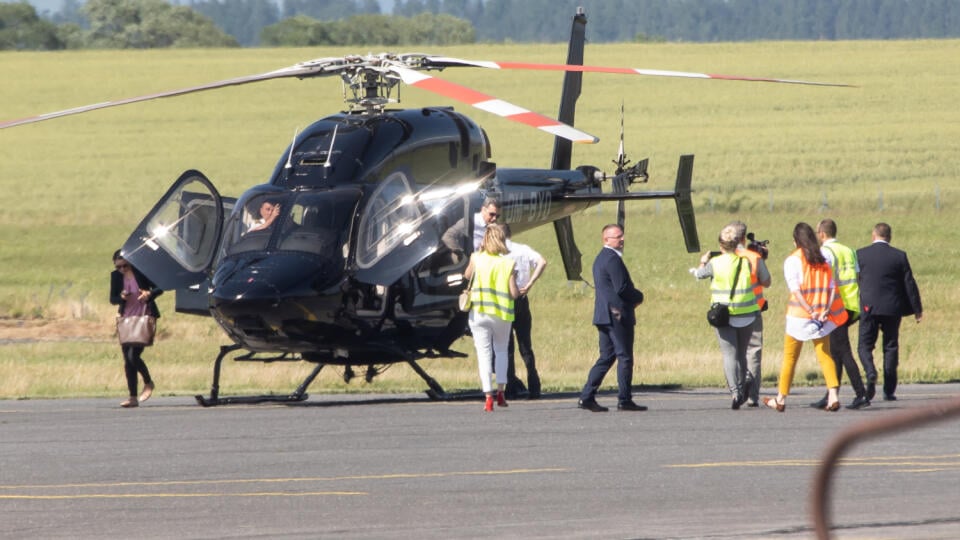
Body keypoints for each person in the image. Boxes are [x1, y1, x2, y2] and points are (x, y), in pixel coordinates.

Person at [762, 223, 847, 412]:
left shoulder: (793, 260)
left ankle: (781, 398)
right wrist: (824, 310)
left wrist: (810, 310)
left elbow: (796, 291)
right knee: (825, 355)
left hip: (799, 316)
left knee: (790, 358)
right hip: (823, 315)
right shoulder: (825, 256)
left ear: (796, 241)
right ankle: (833, 395)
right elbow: (833, 287)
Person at [578, 224, 647, 412]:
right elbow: (621, 288)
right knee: (624, 357)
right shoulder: (611, 259)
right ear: (606, 240)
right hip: (616, 315)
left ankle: (587, 396)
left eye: (622, 235)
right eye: (617, 237)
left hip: (603, 315)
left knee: (607, 357)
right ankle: (624, 399)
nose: (622, 239)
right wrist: (639, 297)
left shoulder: (601, 258)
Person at [692, 224, 760, 410]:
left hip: (724, 314)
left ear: (720, 245)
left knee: (729, 355)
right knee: (742, 353)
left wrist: (703, 261)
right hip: (747, 312)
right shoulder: (745, 261)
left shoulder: (715, 263)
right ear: (737, 243)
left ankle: (735, 392)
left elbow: (699, 275)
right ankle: (745, 379)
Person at [856, 222, 923, 401]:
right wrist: (917, 309)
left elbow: (856, 280)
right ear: (889, 237)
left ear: (873, 235)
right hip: (893, 308)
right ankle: (889, 390)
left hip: (868, 307)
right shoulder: (899, 256)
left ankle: (870, 372)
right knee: (891, 347)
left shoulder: (861, 254)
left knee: (864, 345)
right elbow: (909, 283)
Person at [810, 218, 870, 410]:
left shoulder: (826, 252)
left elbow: (827, 280)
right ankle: (831, 393)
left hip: (836, 305)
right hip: (852, 303)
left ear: (822, 234)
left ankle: (861, 393)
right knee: (835, 351)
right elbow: (858, 277)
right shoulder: (849, 251)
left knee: (842, 351)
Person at [463, 224, 520, 412]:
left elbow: (467, 275)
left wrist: (478, 253)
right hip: (502, 314)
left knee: (483, 353)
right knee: (502, 351)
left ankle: (488, 396)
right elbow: (514, 293)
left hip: (479, 312)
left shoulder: (476, 258)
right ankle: (501, 392)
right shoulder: (507, 263)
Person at [109, 250, 163, 408]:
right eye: (118, 267)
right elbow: (112, 299)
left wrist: (149, 294)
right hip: (126, 318)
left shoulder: (142, 272)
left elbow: (160, 287)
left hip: (144, 316)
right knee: (127, 360)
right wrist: (121, 297)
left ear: (131, 262)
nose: (122, 270)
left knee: (134, 355)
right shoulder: (116, 277)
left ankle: (148, 382)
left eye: (125, 266)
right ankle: (132, 397)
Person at [502, 224, 547, 400]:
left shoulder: (498, 253)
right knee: (525, 345)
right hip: (521, 297)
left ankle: (510, 385)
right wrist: (530, 284)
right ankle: (534, 384)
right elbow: (542, 261)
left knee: (508, 346)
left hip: (505, 300)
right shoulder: (522, 249)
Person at [732, 221, 772, 407]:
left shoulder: (724, 256)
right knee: (753, 351)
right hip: (753, 308)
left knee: (732, 352)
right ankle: (752, 396)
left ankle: (736, 391)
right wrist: (760, 257)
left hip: (730, 310)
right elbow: (766, 281)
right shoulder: (753, 257)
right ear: (743, 237)